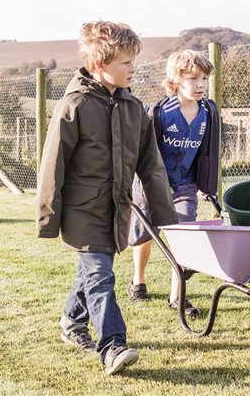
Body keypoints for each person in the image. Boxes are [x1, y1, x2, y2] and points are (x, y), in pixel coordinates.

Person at [35, 21, 178, 375]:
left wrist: (166, 217)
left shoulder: (135, 110)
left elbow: (152, 167)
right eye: (125, 63)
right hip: (82, 211)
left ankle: (72, 321)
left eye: (133, 61)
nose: (133, 69)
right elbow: (52, 165)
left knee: (93, 272)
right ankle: (113, 345)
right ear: (100, 66)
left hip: (118, 209)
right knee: (100, 276)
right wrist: (47, 217)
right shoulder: (75, 105)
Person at [127, 50, 220, 318]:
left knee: (183, 238)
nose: (201, 84)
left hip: (184, 186)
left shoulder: (208, 112)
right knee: (146, 233)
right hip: (151, 183)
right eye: (193, 78)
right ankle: (138, 280)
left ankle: (177, 297)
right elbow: (144, 151)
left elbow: (208, 152)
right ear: (176, 80)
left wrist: (206, 185)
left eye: (204, 78)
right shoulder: (160, 112)